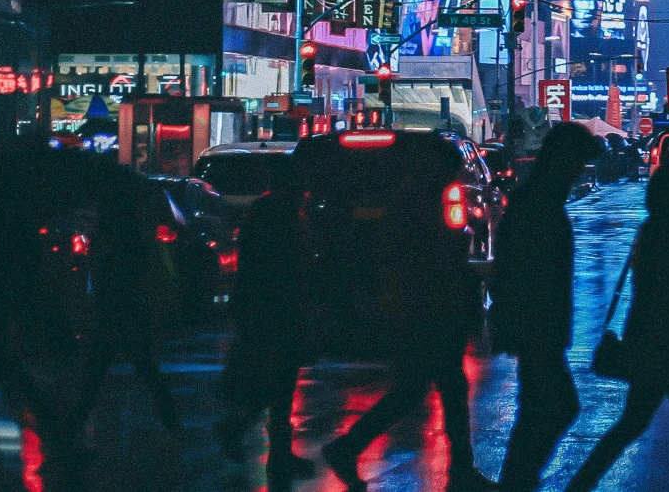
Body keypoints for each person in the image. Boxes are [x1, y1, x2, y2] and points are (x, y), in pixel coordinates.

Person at [323, 162, 484, 492]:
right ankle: (461, 471)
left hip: (415, 308)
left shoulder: (406, 202)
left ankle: (348, 448)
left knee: (420, 388)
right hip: (428, 309)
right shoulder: (423, 204)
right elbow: (438, 256)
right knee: (443, 387)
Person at [561, 165, 669, 492]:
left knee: (632, 424)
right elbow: (667, 298)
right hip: (668, 351)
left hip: (655, 348)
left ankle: (579, 485)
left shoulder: (654, 232)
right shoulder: (664, 239)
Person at [493, 122, 601, 491]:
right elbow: (523, 271)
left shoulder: (539, 201)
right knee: (557, 405)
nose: (578, 174)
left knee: (538, 407)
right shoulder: (538, 205)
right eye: (576, 164)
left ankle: (518, 479)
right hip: (536, 325)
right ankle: (518, 481)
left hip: (539, 326)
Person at [217, 176, 314, 488]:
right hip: (276, 312)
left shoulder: (263, 220)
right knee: (278, 383)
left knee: (274, 383)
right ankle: (264, 446)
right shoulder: (283, 225)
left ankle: (271, 450)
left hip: (265, 312)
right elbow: (287, 271)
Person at [70, 171, 181, 440]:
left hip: (111, 308)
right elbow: (142, 268)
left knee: (96, 373)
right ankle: (172, 423)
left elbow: (99, 272)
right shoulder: (133, 232)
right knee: (145, 368)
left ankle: (72, 429)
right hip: (129, 308)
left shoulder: (107, 234)